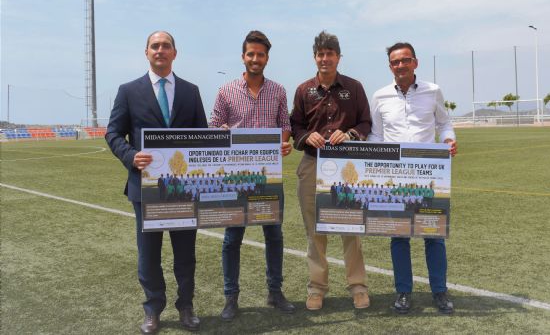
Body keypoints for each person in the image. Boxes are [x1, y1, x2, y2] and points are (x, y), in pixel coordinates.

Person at [106, 31, 207, 334]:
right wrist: (130, 155)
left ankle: (186, 306)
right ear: (146, 52)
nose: (160, 50)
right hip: (145, 189)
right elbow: (112, 133)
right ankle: (152, 309)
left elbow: (202, 138)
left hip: (182, 190)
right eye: (155, 46)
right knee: (148, 254)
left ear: (175, 53)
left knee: (185, 254)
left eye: (166, 46)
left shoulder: (191, 91)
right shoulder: (128, 91)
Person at [209, 30, 295, 320]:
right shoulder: (226, 91)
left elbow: (286, 126)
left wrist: (283, 142)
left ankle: (275, 292)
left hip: (268, 177)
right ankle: (231, 297)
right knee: (232, 238)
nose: (255, 59)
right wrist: (222, 132)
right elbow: (214, 126)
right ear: (243, 56)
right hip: (235, 179)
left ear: (267, 58)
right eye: (250, 54)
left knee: (274, 234)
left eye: (260, 54)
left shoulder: (279, 91)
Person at [368, 42, 457, 315]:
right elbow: (376, 136)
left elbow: (444, 123)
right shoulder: (380, 96)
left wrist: (449, 139)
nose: (401, 65)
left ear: (415, 63)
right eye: (395, 62)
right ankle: (404, 292)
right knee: (399, 237)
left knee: (434, 237)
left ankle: (439, 292)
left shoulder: (433, 91)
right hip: (394, 178)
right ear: (390, 66)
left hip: (429, 175)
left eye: (406, 60)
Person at [290, 30, 371, 311]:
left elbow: (365, 124)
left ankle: (358, 286)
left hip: (347, 167)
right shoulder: (303, 90)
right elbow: (295, 127)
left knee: (351, 227)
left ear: (338, 57)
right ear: (315, 57)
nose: (325, 59)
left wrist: (348, 134)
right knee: (314, 231)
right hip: (312, 164)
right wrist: (305, 136)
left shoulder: (354, 87)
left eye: (330, 54)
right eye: (320, 54)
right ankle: (317, 288)